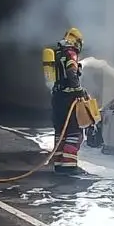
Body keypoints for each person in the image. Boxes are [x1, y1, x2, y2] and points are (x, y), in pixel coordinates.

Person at [50, 27, 86, 176]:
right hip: (68, 100)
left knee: (60, 133)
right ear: (76, 41)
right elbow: (71, 72)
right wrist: (78, 89)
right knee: (74, 132)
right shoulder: (71, 53)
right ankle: (69, 166)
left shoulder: (58, 53)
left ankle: (59, 163)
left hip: (57, 99)